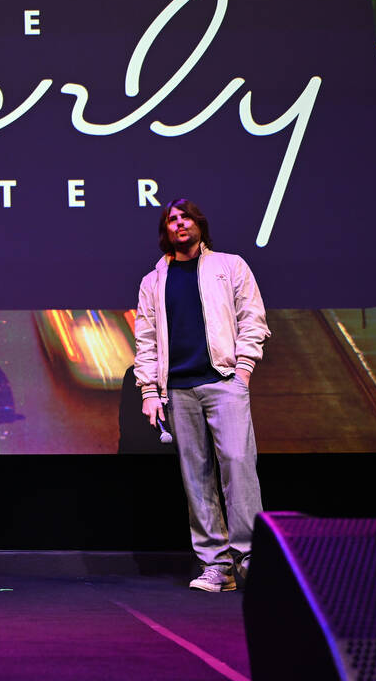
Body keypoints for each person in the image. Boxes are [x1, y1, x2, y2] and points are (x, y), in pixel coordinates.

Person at [133, 199, 270, 592]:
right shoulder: (153, 282)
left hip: (224, 382)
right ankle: (217, 566)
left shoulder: (230, 266)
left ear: (198, 224)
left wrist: (242, 372)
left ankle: (252, 557)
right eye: (171, 219)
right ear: (166, 231)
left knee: (239, 467)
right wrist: (149, 391)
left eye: (185, 217)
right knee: (197, 478)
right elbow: (145, 340)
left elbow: (252, 318)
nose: (179, 223)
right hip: (176, 390)